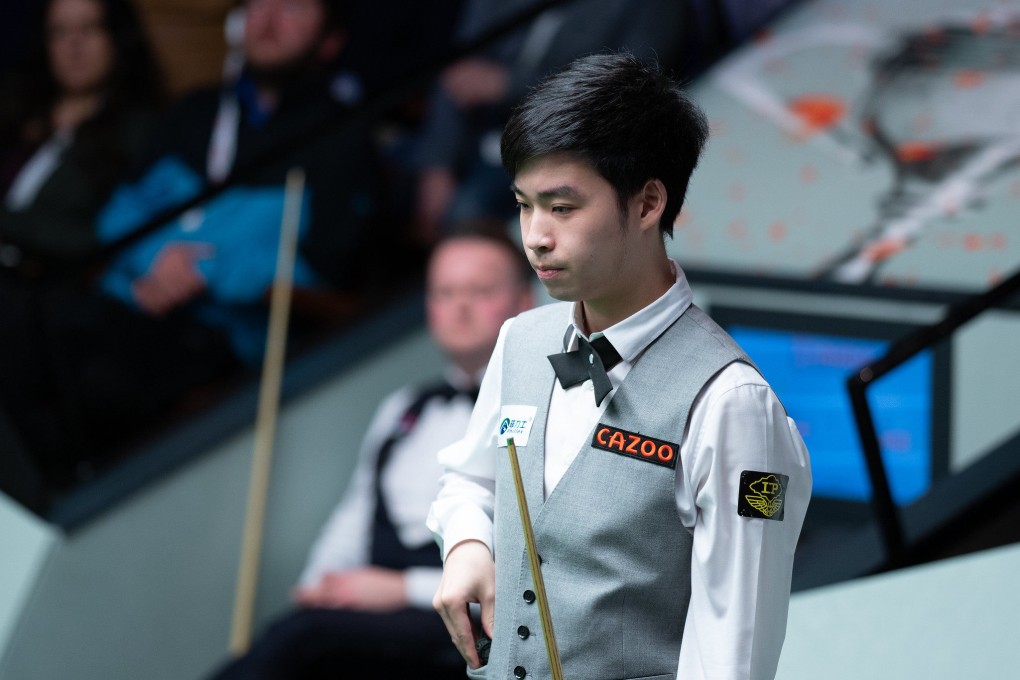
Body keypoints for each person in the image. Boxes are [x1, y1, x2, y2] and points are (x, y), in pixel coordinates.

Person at [427, 53, 812, 680]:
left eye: (563, 207)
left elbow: (732, 654)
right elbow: (470, 480)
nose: (535, 236)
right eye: (525, 204)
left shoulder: (734, 404)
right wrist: (468, 541)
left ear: (647, 203)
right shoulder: (522, 342)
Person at [0, 0, 381, 511]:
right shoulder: (195, 112)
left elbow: (326, 274)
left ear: (331, 39)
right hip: (130, 301)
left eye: (294, 7)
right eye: (259, 2)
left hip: (219, 333)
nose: (268, 17)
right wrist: (159, 260)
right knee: (28, 324)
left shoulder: (342, 136)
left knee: (82, 374)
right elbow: (118, 215)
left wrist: (206, 269)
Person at [205, 225, 534, 680]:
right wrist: (320, 585)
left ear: (524, 301)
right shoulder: (403, 409)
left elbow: (537, 556)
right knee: (301, 630)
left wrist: (402, 589)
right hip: (373, 613)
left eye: (480, 291)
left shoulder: (538, 406)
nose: (459, 306)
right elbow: (355, 515)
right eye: (444, 291)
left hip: (477, 616)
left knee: (304, 640)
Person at [411, 0, 688, 243]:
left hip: (573, 150)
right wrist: (436, 166)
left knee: (468, 210)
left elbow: (627, 90)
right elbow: (457, 71)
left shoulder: (648, 5)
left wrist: (508, 84)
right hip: (479, 139)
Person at [0, 0, 164, 271]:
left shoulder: (138, 131)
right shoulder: (16, 107)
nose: (73, 45)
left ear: (116, 37)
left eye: (89, 29)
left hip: (43, 287)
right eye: (59, 32)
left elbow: (98, 240)